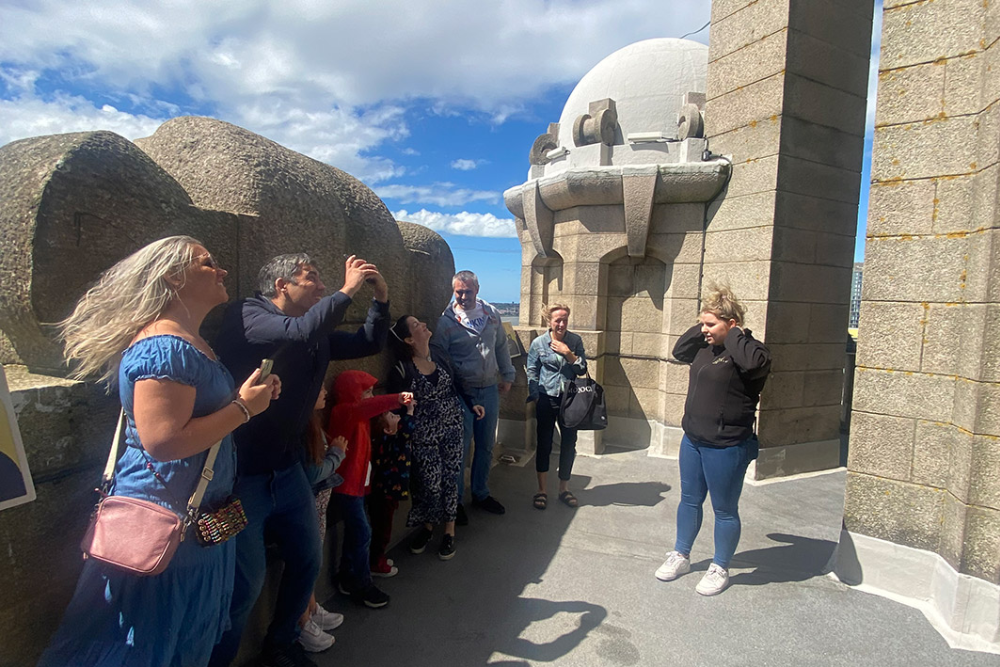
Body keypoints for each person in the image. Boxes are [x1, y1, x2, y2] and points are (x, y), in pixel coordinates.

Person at [39, 236, 280, 667]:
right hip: (163, 529)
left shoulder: (188, 342)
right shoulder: (162, 347)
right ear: (172, 275)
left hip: (198, 523)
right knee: (143, 648)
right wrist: (244, 408)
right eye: (208, 263)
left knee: (182, 644)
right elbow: (163, 442)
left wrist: (247, 399)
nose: (222, 270)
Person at [210, 254, 389, 667]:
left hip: (288, 470)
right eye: (313, 277)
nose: (323, 286)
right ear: (281, 285)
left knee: (308, 557)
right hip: (241, 479)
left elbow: (368, 342)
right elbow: (296, 331)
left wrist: (380, 298)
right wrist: (349, 289)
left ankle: (281, 643)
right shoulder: (246, 315)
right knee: (246, 586)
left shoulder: (312, 332)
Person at [654, 285, 771, 597]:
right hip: (693, 440)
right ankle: (681, 554)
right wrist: (705, 324)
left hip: (727, 445)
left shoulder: (749, 352)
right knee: (689, 499)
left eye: (710, 324)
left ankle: (720, 566)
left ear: (732, 325)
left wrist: (733, 333)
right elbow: (680, 351)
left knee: (724, 509)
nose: (703, 330)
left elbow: (755, 365)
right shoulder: (706, 349)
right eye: (702, 324)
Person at [389, 315, 485, 560]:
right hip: (423, 432)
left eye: (421, 321)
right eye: (416, 325)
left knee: (451, 477)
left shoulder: (439, 352)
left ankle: (449, 531)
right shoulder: (402, 367)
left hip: (452, 425)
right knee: (429, 482)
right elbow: (396, 401)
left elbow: (457, 380)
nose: (423, 324)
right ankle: (429, 525)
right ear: (409, 339)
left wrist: (472, 403)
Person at [430, 270, 514, 523]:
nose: (464, 296)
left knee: (486, 445)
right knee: (460, 447)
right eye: (459, 292)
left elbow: (501, 346)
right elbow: (439, 358)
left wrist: (508, 375)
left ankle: (480, 493)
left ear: (477, 290)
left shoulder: (491, 314)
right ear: (453, 291)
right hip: (461, 393)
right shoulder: (446, 322)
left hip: (489, 388)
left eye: (468, 291)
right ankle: (454, 501)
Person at [328, 370, 412, 607]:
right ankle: (362, 584)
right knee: (362, 532)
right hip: (347, 486)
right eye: (366, 391)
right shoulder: (345, 411)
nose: (371, 396)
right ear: (354, 393)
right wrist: (398, 398)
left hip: (356, 485)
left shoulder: (356, 415)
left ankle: (346, 576)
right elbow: (368, 407)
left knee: (356, 532)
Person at [297, 385, 348, 654]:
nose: (326, 391)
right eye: (319, 388)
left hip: (318, 508)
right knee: (306, 563)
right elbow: (313, 473)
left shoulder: (314, 423)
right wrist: (337, 453)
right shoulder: (304, 428)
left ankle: (312, 607)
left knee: (312, 562)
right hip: (308, 507)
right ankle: (302, 621)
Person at [526, 303, 587, 510]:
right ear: (549, 321)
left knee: (569, 443)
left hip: (569, 399)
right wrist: (535, 395)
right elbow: (532, 370)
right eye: (557, 320)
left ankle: (563, 488)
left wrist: (568, 352)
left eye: (565, 320)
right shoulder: (539, 343)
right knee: (544, 443)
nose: (561, 324)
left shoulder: (575, 341)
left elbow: (581, 369)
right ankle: (541, 490)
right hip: (546, 397)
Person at [367, 405, 414, 577]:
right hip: (385, 494)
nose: (396, 415)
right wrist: (409, 411)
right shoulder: (392, 443)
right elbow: (407, 433)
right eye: (391, 416)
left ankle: (377, 558)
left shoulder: (384, 441)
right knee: (382, 531)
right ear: (387, 429)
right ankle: (376, 563)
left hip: (384, 492)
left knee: (381, 528)